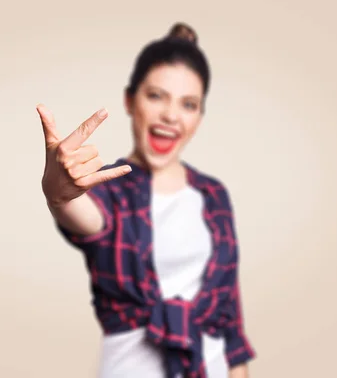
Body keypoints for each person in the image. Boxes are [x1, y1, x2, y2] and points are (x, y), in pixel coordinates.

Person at [37, 22, 256, 378]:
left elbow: (230, 327)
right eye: (156, 96)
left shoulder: (214, 196)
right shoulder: (108, 189)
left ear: (199, 118)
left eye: (188, 104)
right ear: (130, 99)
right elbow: (84, 217)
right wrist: (58, 192)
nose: (171, 115)